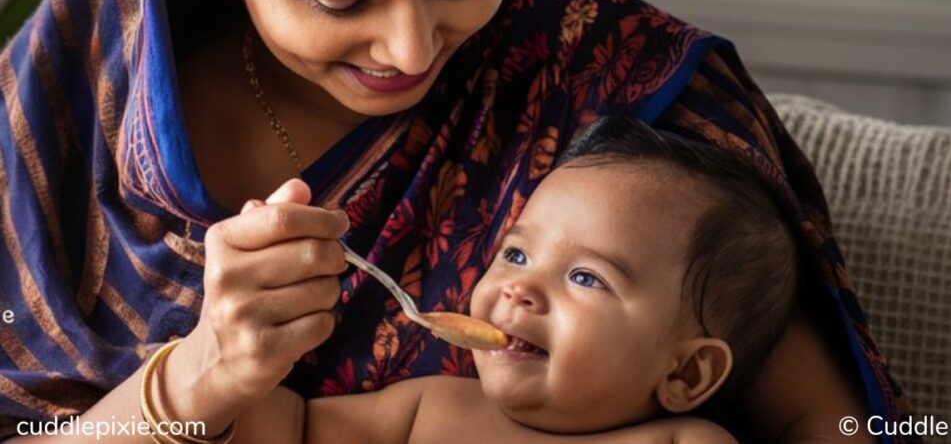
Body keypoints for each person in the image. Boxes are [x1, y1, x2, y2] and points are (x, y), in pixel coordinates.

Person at [0, 0, 913, 443]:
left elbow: (827, 422)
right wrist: (204, 373)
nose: (408, 48)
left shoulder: (597, 73)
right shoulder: (49, 153)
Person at [234, 115, 800, 444]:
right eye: (516, 255)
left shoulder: (681, 443)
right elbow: (287, 432)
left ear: (686, 371)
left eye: (585, 276)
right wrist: (237, 358)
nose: (519, 287)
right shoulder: (431, 410)